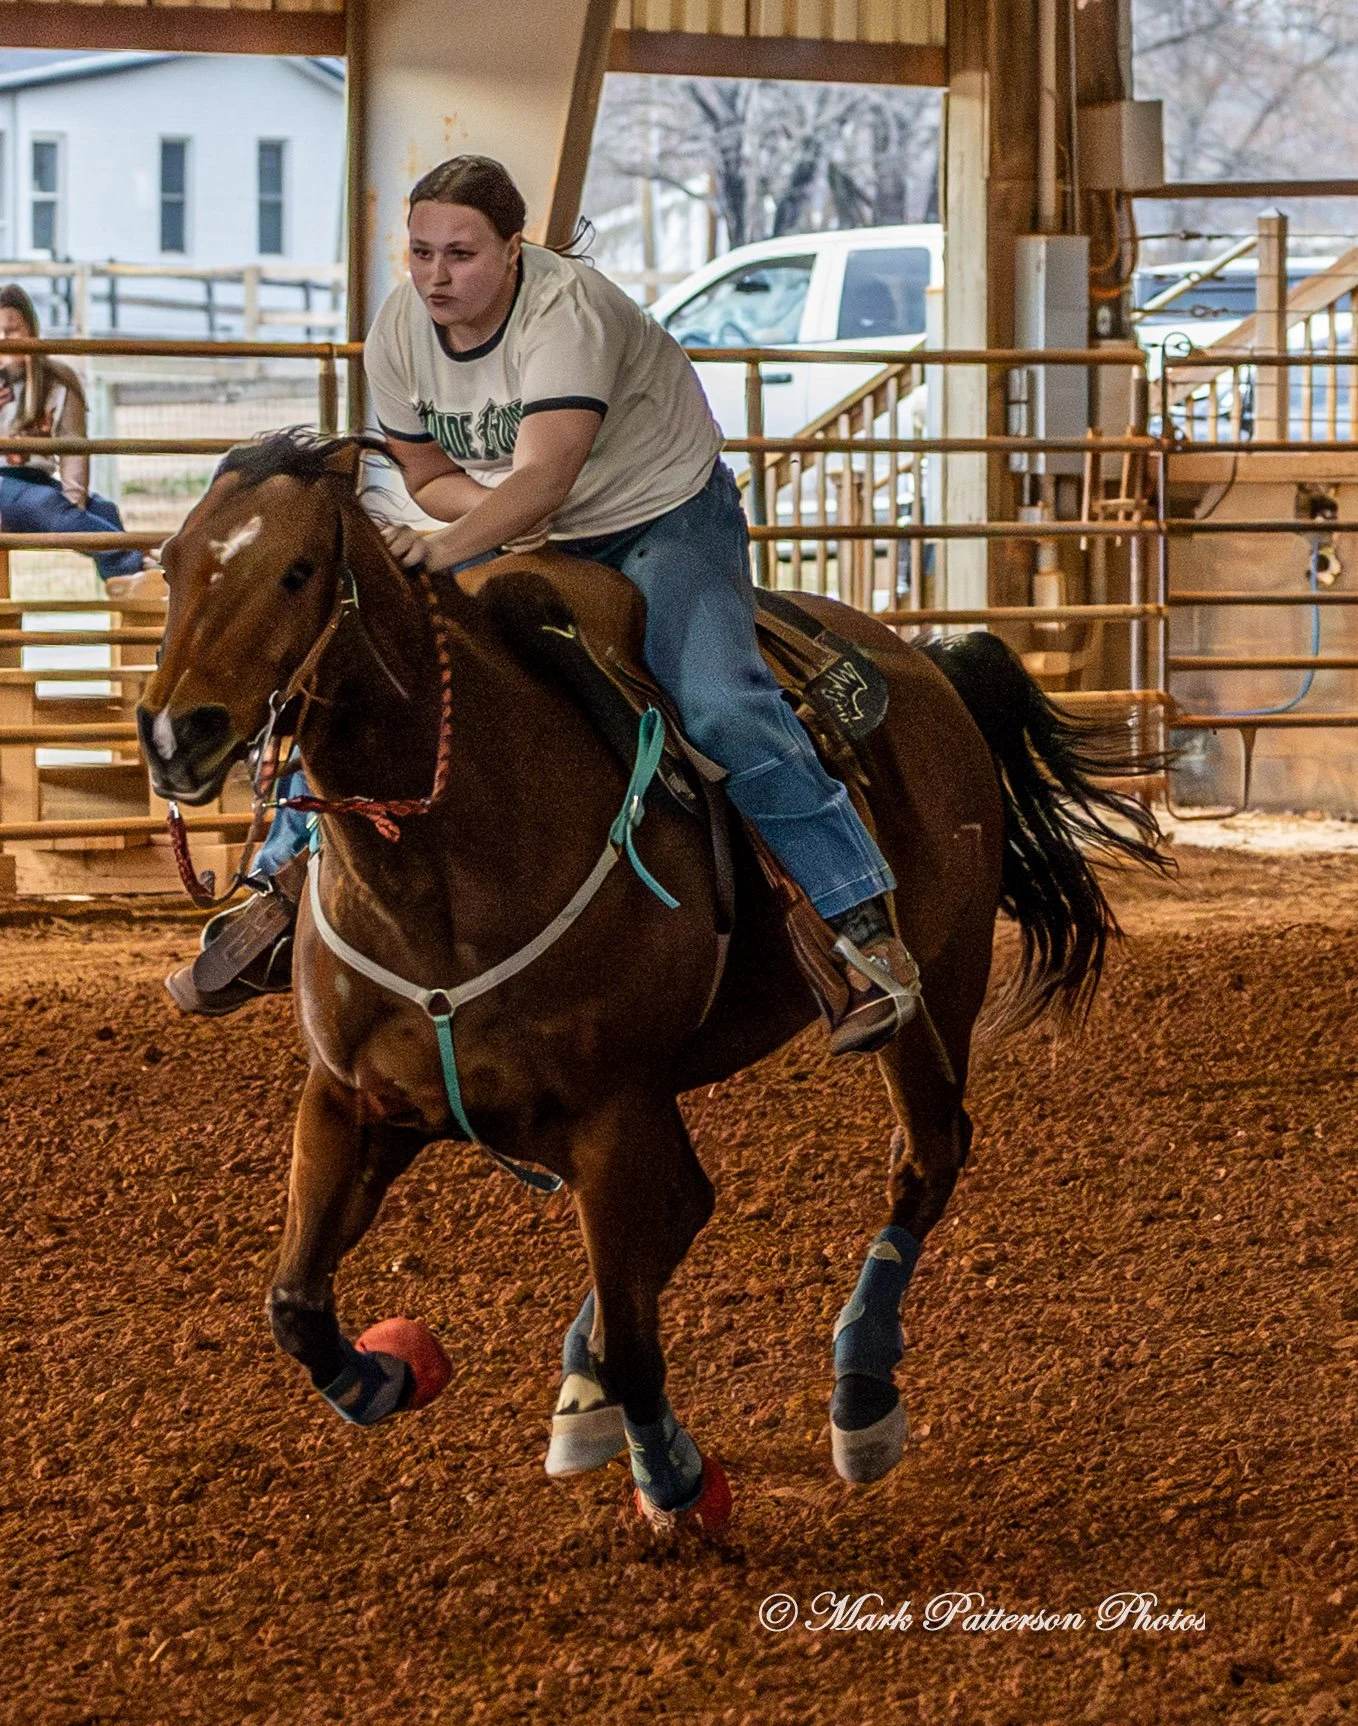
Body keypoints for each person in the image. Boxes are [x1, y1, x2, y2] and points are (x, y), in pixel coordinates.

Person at [169, 156, 917, 1056]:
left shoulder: (570, 315)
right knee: (375, 665)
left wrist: (447, 546)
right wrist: (472, 526)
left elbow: (545, 477)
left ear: (514, 251)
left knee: (721, 702)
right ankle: (275, 885)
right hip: (517, 522)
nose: (437, 276)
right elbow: (432, 474)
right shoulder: (400, 331)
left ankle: (859, 921)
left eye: (462, 254)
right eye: (421, 252)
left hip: (661, 519)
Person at [0, 284, 154, 588]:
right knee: (45, 505)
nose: (3, 339)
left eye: (12, 329)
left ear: (31, 330)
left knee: (103, 510)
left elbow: (73, 447)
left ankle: (129, 586)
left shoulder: (57, 381)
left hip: (35, 480)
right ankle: (138, 561)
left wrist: (73, 501)